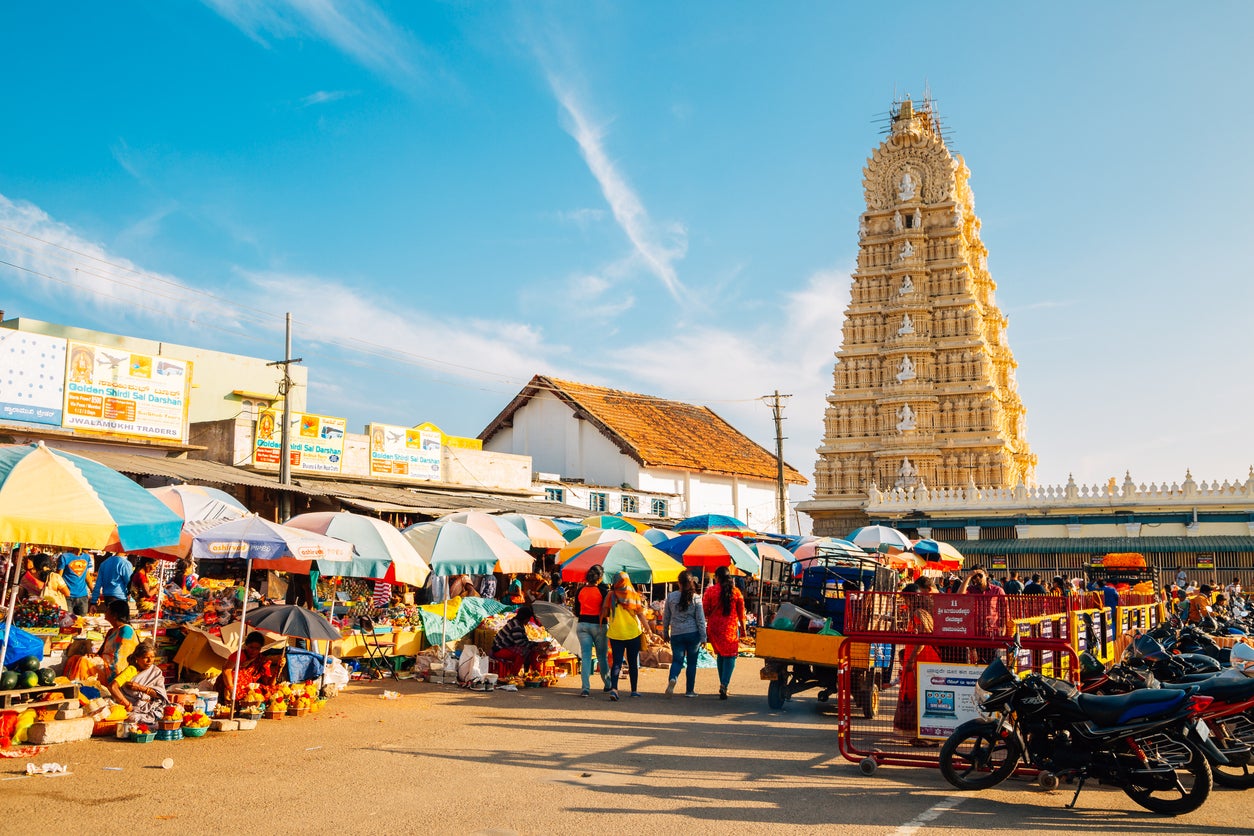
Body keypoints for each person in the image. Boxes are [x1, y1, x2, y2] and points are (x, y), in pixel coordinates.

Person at [893, 584, 941, 739]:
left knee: (918, 696)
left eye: (906, 598)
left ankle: (922, 735)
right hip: (924, 658)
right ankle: (921, 734)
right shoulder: (923, 611)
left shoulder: (918, 613)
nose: (905, 601)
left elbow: (923, 637)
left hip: (922, 658)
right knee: (921, 695)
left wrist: (911, 660)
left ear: (912, 597)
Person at [703, 565, 747, 700]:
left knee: (721, 655)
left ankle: (722, 683)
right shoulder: (736, 592)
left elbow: (704, 611)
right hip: (730, 629)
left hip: (714, 629)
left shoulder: (710, 591)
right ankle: (724, 683)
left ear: (717, 577)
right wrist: (744, 630)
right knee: (730, 656)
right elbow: (742, 613)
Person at [662, 569, 706, 698]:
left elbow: (666, 617)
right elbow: (700, 619)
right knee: (692, 663)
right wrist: (703, 637)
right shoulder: (696, 598)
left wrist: (665, 632)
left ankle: (673, 678)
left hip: (676, 633)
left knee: (677, 661)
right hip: (693, 634)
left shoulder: (671, 597)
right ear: (691, 582)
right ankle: (689, 691)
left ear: (678, 583)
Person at [602, 573, 646, 701]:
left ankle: (614, 689)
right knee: (632, 662)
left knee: (617, 662)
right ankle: (634, 690)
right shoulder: (634, 595)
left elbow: (605, 613)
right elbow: (641, 615)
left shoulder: (610, 595)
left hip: (616, 633)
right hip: (633, 633)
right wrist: (648, 630)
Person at [108, 641, 167, 727]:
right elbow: (112, 687)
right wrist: (127, 704)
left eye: (152, 657)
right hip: (133, 708)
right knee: (133, 718)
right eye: (145, 657)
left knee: (173, 711)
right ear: (137, 658)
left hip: (151, 706)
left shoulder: (156, 672)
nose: (149, 661)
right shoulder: (131, 670)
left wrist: (140, 688)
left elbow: (160, 695)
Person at [574, 566, 611, 697]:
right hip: (599, 626)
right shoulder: (603, 591)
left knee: (585, 656)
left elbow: (576, 611)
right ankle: (607, 685)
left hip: (582, 625)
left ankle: (585, 688)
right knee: (602, 657)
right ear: (600, 578)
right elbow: (607, 610)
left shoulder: (580, 591)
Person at [490, 606, 556, 675]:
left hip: (509, 647)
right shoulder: (515, 625)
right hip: (500, 649)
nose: (528, 621)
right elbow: (520, 643)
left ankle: (536, 673)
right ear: (525, 618)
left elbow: (525, 641)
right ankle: (513, 675)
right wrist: (538, 644)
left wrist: (537, 645)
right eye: (528, 619)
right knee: (521, 655)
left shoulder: (519, 624)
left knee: (533, 652)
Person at [216, 631, 278, 704]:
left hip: (250, 686)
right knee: (236, 676)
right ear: (246, 645)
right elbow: (226, 670)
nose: (253, 651)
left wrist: (279, 668)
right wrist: (230, 688)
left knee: (270, 691)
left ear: (261, 648)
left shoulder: (262, 660)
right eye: (251, 647)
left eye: (257, 648)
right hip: (231, 684)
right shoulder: (239, 655)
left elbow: (270, 684)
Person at [99, 599, 139, 685]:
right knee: (76, 658)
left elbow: (120, 657)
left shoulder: (126, 630)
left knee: (84, 663)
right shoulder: (111, 631)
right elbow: (101, 652)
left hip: (116, 669)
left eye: (108, 610)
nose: (105, 612)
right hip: (105, 663)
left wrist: (101, 661)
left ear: (115, 615)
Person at [58, 549, 93, 615]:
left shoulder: (87, 557)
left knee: (82, 622)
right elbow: (58, 578)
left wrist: (94, 593)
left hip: (83, 596)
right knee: (67, 621)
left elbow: (87, 577)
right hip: (67, 597)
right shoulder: (64, 557)